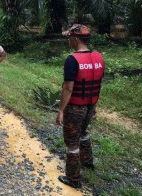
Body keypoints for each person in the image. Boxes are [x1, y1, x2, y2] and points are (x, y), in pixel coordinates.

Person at [56, 24, 105, 188]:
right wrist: (95, 106)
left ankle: (73, 178)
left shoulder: (72, 60)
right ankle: (87, 162)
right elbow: (97, 83)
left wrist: (61, 110)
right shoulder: (98, 57)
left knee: (71, 142)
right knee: (83, 132)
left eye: (69, 37)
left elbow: (68, 88)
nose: (68, 40)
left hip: (75, 107)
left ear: (75, 39)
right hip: (90, 105)